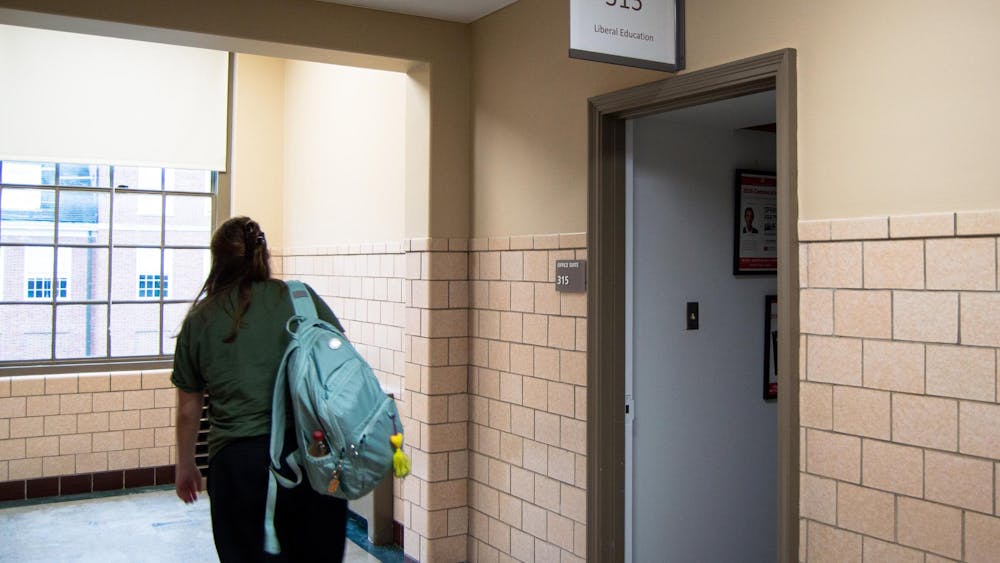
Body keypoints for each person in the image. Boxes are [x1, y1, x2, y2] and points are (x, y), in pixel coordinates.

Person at [172, 216, 348, 563]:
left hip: (239, 467)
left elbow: (188, 410)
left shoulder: (200, 319)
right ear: (263, 255)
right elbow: (339, 360)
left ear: (217, 260)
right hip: (312, 456)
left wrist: (186, 464)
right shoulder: (299, 298)